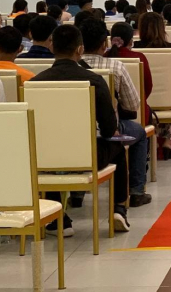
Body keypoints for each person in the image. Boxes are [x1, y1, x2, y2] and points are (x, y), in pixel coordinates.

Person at [33, 24, 130, 235]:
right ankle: (119, 209)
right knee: (118, 149)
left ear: (52, 47)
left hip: (45, 158)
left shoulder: (34, 82)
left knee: (47, 153)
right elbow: (108, 129)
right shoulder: (94, 80)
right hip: (89, 155)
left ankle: (58, 219)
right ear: (80, 49)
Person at [78, 19, 151, 207]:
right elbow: (133, 104)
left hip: (75, 131)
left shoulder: (68, 68)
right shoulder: (116, 67)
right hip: (109, 130)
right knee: (140, 133)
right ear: (104, 43)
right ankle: (136, 190)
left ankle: (77, 194)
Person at [133, 13, 171, 156]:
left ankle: (152, 140)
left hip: (140, 101)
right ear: (162, 28)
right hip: (167, 101)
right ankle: (167, 143)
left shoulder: (133, 50)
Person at [105, 21, 153, 124]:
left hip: (108, 115)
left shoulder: (104, 57)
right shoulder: (139, 57)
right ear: (131, 41)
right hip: (137, 113)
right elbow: (148, 87)